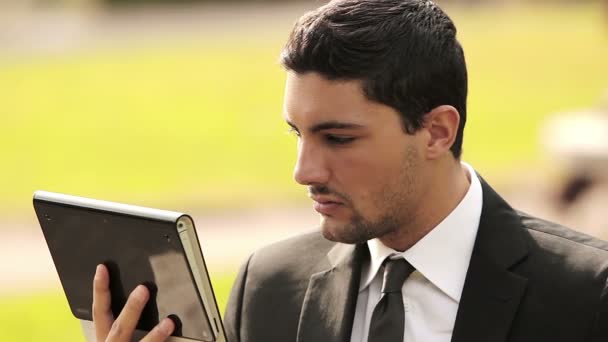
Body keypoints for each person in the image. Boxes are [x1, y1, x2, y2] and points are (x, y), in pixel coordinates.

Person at [91, 0, 608, 341]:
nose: (304, 171)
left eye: (338, 138)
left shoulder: (589, 297)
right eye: (298, 133)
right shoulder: (267, 288)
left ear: (437, 132)